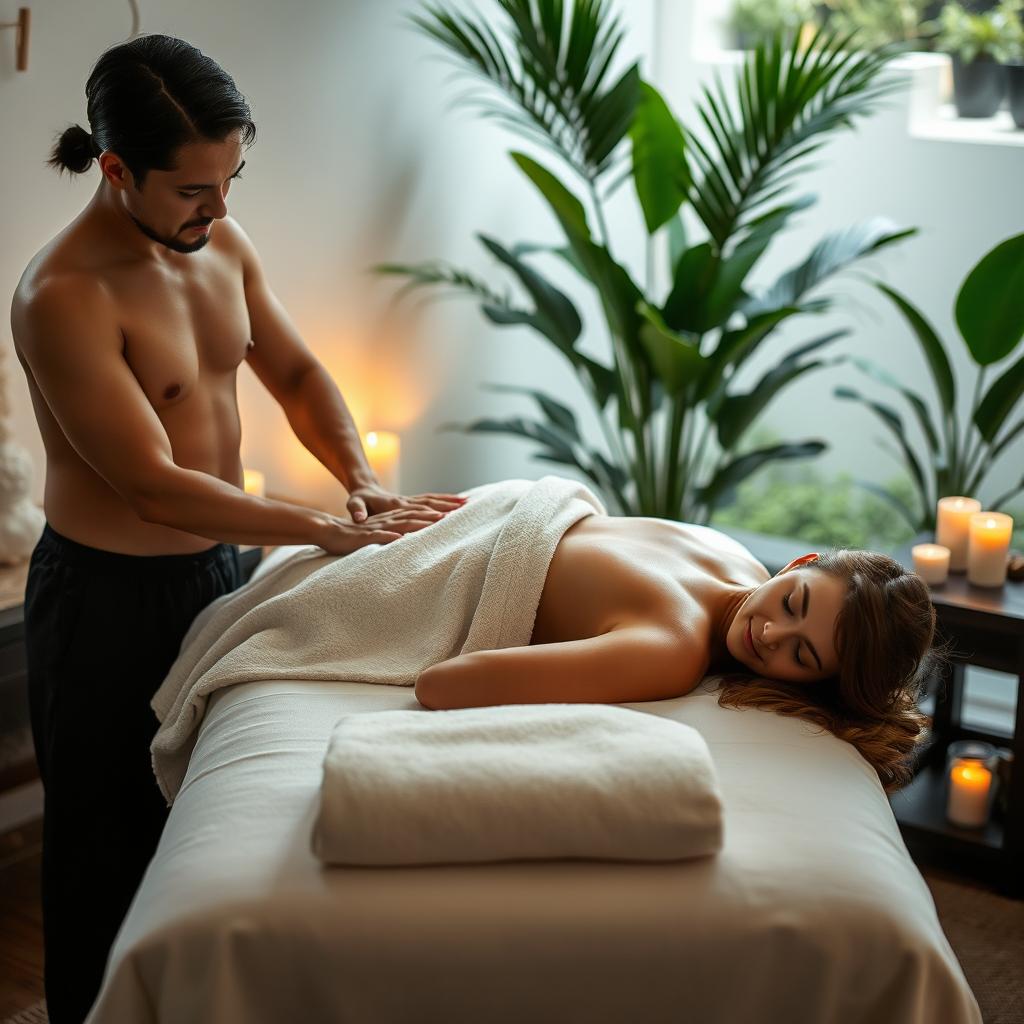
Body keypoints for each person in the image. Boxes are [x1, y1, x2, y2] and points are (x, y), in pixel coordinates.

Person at [9, 33, 462, 1024]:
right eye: (194, 192)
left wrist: (359, 479)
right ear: (117, 169)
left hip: (221, 572)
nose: (221, 210)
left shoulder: (223, 244)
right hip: (105, 603)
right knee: (104, 849)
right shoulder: (62, 296)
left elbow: (295, 372)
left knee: (218, 825)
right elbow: (152, 487)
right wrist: (317, 529)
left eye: (233, 180)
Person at [416, 512, 944, 795]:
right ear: (797, 562)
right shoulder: (673, 647)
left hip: (482, 511)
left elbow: (446, 684)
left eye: (801, 656)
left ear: (812, 683)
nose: (770, 633)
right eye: (792, 602)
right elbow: (441, 685)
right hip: (472, 534)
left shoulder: (721, 559)